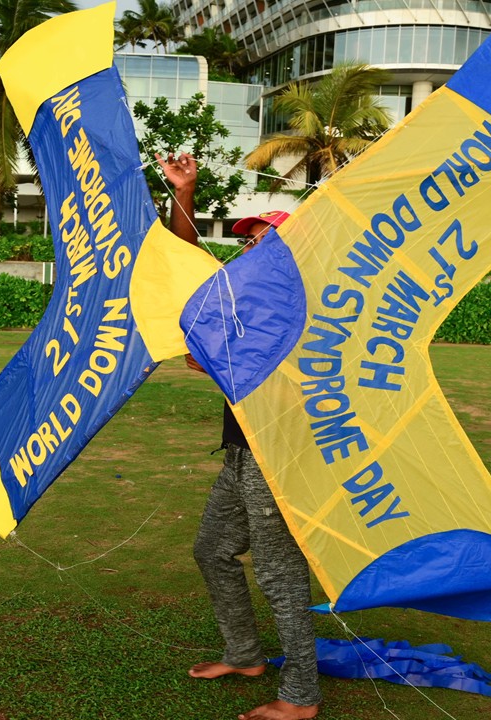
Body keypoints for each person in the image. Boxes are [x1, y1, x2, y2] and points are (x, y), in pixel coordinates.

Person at [157, 151, 321, 720]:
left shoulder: (299, 312)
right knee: (212, 550)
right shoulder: (245, 300)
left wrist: (206, 352)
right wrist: (185, 194)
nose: (250, 250)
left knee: (279, 573)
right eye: (248, 241)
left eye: (262, 243)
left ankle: (300, 696)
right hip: (239, 454)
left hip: (275, 456)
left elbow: (207, 358)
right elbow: (190, 272)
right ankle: (246, 655)